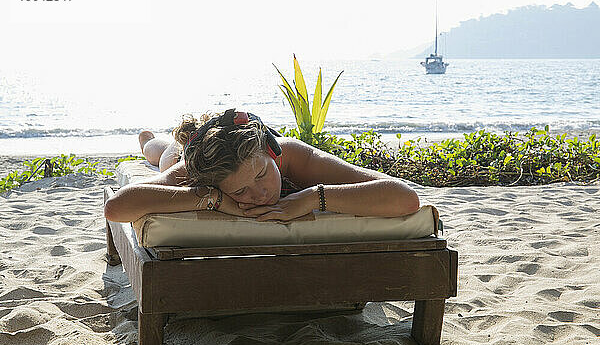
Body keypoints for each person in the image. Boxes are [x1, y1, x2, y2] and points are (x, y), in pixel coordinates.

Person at [103, 109, 419, 223]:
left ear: (272, 152)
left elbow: (404, 197)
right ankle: (147, 139)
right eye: (240, 190)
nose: (261, 193)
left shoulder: (290, 155)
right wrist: (211, 198)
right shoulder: (196, 174)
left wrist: (312, 197)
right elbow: (117, 208)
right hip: (185, 153)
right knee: (163, 154)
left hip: (231, 134)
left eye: (262, 174)